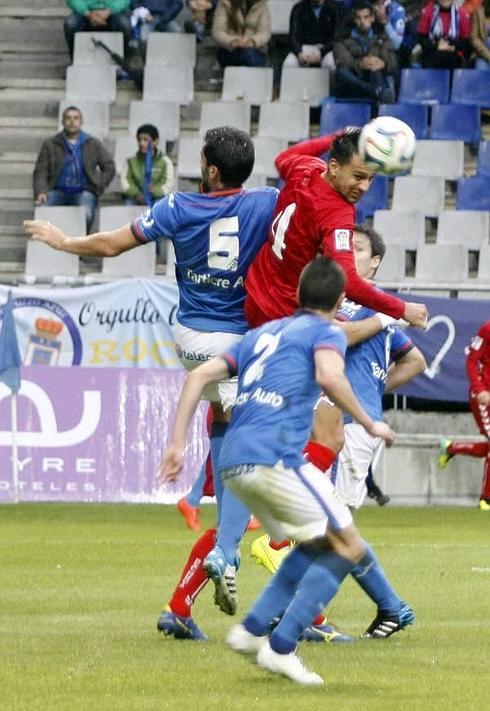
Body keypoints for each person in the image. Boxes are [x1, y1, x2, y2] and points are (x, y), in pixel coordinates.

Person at [24, 125, 279, 639]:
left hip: (189, 336)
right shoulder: (266, 204)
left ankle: (188, 598)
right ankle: (229, 555)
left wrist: (64, 240)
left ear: (210, 170)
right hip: (232, 343)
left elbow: (113, 244)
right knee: (255, 453)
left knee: (227, 419)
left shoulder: (177, 206)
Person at [160, 256, 404, 685]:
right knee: (347, 547)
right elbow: (330, 376)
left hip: (234, 461)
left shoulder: (260, 334)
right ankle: (282, 644)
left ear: (295, 294)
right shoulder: (326, 331)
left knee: (315, 543)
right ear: (341, 299)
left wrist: (177, 444)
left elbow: (198, 377)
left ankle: (254, 629)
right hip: (277, 458)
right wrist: (369, 422)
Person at [245, 127, 428, 480]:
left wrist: (336, 134)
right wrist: (400, 309)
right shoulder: (336, 214)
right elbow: (352, 283)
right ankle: (276, 525)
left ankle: (248, 519)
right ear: (333, 167)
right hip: (288, 323)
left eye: (371, 179)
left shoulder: (304, 170)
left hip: (256, 302)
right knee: (329, 437)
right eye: (358, 176)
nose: (363, 186)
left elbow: (283, 158)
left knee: (282, 425)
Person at [334, 224, 426, 510]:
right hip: (328, 416)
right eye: (345, 247)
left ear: (375, 262)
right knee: (319, 510)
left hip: (353, 420)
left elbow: (415, 362)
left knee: (335, 513)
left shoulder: (373, 303)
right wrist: (390, 316)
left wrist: (375, 388)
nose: (349, 254)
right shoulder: (357, 303)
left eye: (358, 249)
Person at [32, 106, 115, 232]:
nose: (72, 121)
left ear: (81, 122)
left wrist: (99, 185)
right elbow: (40, 171)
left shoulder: (92, 143)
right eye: (68, 118)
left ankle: (79, 244)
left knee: (86, 214)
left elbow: (109, 166)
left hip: (83, 190)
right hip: (57, 190)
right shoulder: (50, 144)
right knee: (43, 211)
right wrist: (41, 191)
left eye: (76, 118)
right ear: (62, 122)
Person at [438, 320, 490, 511]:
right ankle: (486, 499)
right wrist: (479, 389)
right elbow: (472, 360)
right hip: (483, 396)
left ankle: (452, 448)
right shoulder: (487, 329)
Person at [333, 0, 398, 104]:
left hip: (375, 75)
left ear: (372, 18)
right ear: (354, 19)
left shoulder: (381, 34)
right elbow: (344, 61)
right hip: (355, 79)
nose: (362, 22)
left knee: (376, 69)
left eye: (366, 17)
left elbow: (392, 60)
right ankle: (376, 91)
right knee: (342, 72)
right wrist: (359, 64)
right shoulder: (342, 37)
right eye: (359, 18)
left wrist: (383, 63)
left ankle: (378, 91)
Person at [121, 124, 174, 206]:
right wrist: (136, 194)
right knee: (128, 205)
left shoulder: (165, 162)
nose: (141, 143)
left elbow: (168, 183)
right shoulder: (130, 161)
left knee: (159, 206)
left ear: (156, 141)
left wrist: (155, 191)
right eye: (139, 139)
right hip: (135, 197)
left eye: (145, 140)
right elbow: (126, 182)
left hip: (157, 197)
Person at [64, 1, 133, 60]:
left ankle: (124, 62)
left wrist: (108, 11)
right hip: (85, 12)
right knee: (71, 24)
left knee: (124, 24)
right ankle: (75, 61)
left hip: (113, 12)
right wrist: (88, 13)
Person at [212, 0, 271, 68]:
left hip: (255, 50)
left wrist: (252, 41)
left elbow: (265, 33)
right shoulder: (225, 4)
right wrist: (232, 41)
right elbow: (217, 32)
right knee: (242, 56)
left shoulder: (262, 6)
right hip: (229, 50)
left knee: (249, 55)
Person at [282, 0, 338, 71]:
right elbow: (293, 36)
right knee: (289, 64)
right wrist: (298, 52)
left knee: (330, 65)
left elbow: (337, 37)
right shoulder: (298, 8)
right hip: (303, 48)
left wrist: (322, 52)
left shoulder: (334, 8)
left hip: (326, 49)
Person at [416, 0, 472, 69]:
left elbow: (466, 43)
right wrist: (437, 46)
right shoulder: (428, 11)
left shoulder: (462, 13)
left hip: (454, 55)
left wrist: (452, 47)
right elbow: (421, 38)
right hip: (432, 54)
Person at [471, 0, 490, 69]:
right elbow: (474, 38)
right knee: (481, 70)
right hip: (482, 55)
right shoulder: (478, 12)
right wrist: (488, 55)